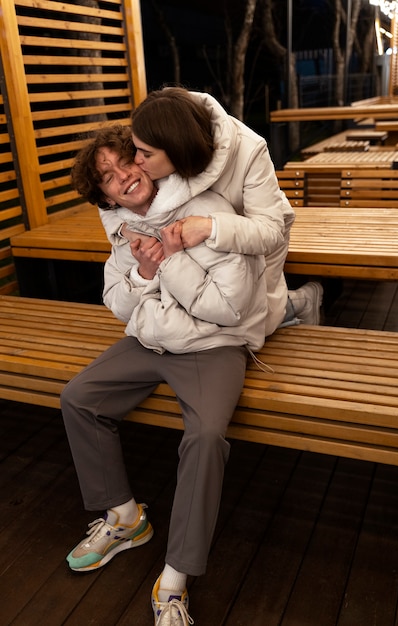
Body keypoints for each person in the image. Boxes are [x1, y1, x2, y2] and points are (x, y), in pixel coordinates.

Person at [61, 124, 268, 626]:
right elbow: (115, 302)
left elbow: (231, 307)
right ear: (103, 194)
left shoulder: (206, 209)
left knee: (205, 434)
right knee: (79, 397)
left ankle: (175, 576)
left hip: (212, 345)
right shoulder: (117, 226)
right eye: (107, 177)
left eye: (125, 162)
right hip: (150, 339)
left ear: (146, 159)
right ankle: (125, 517)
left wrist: (169, 261)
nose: (122, 178)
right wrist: (143, 274)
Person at [100, 86, 323, 335]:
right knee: (206, 306)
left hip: (253, 229)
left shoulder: (249, 149)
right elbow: (109, 197)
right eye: (135, 150)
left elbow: (270, 232)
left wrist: (209, 226)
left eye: (145, 154)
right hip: (194, 239)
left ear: (176, 149)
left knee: (258, 318)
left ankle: (303, 301)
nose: (137, 162)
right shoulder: (157, 132)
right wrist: (126, 230)